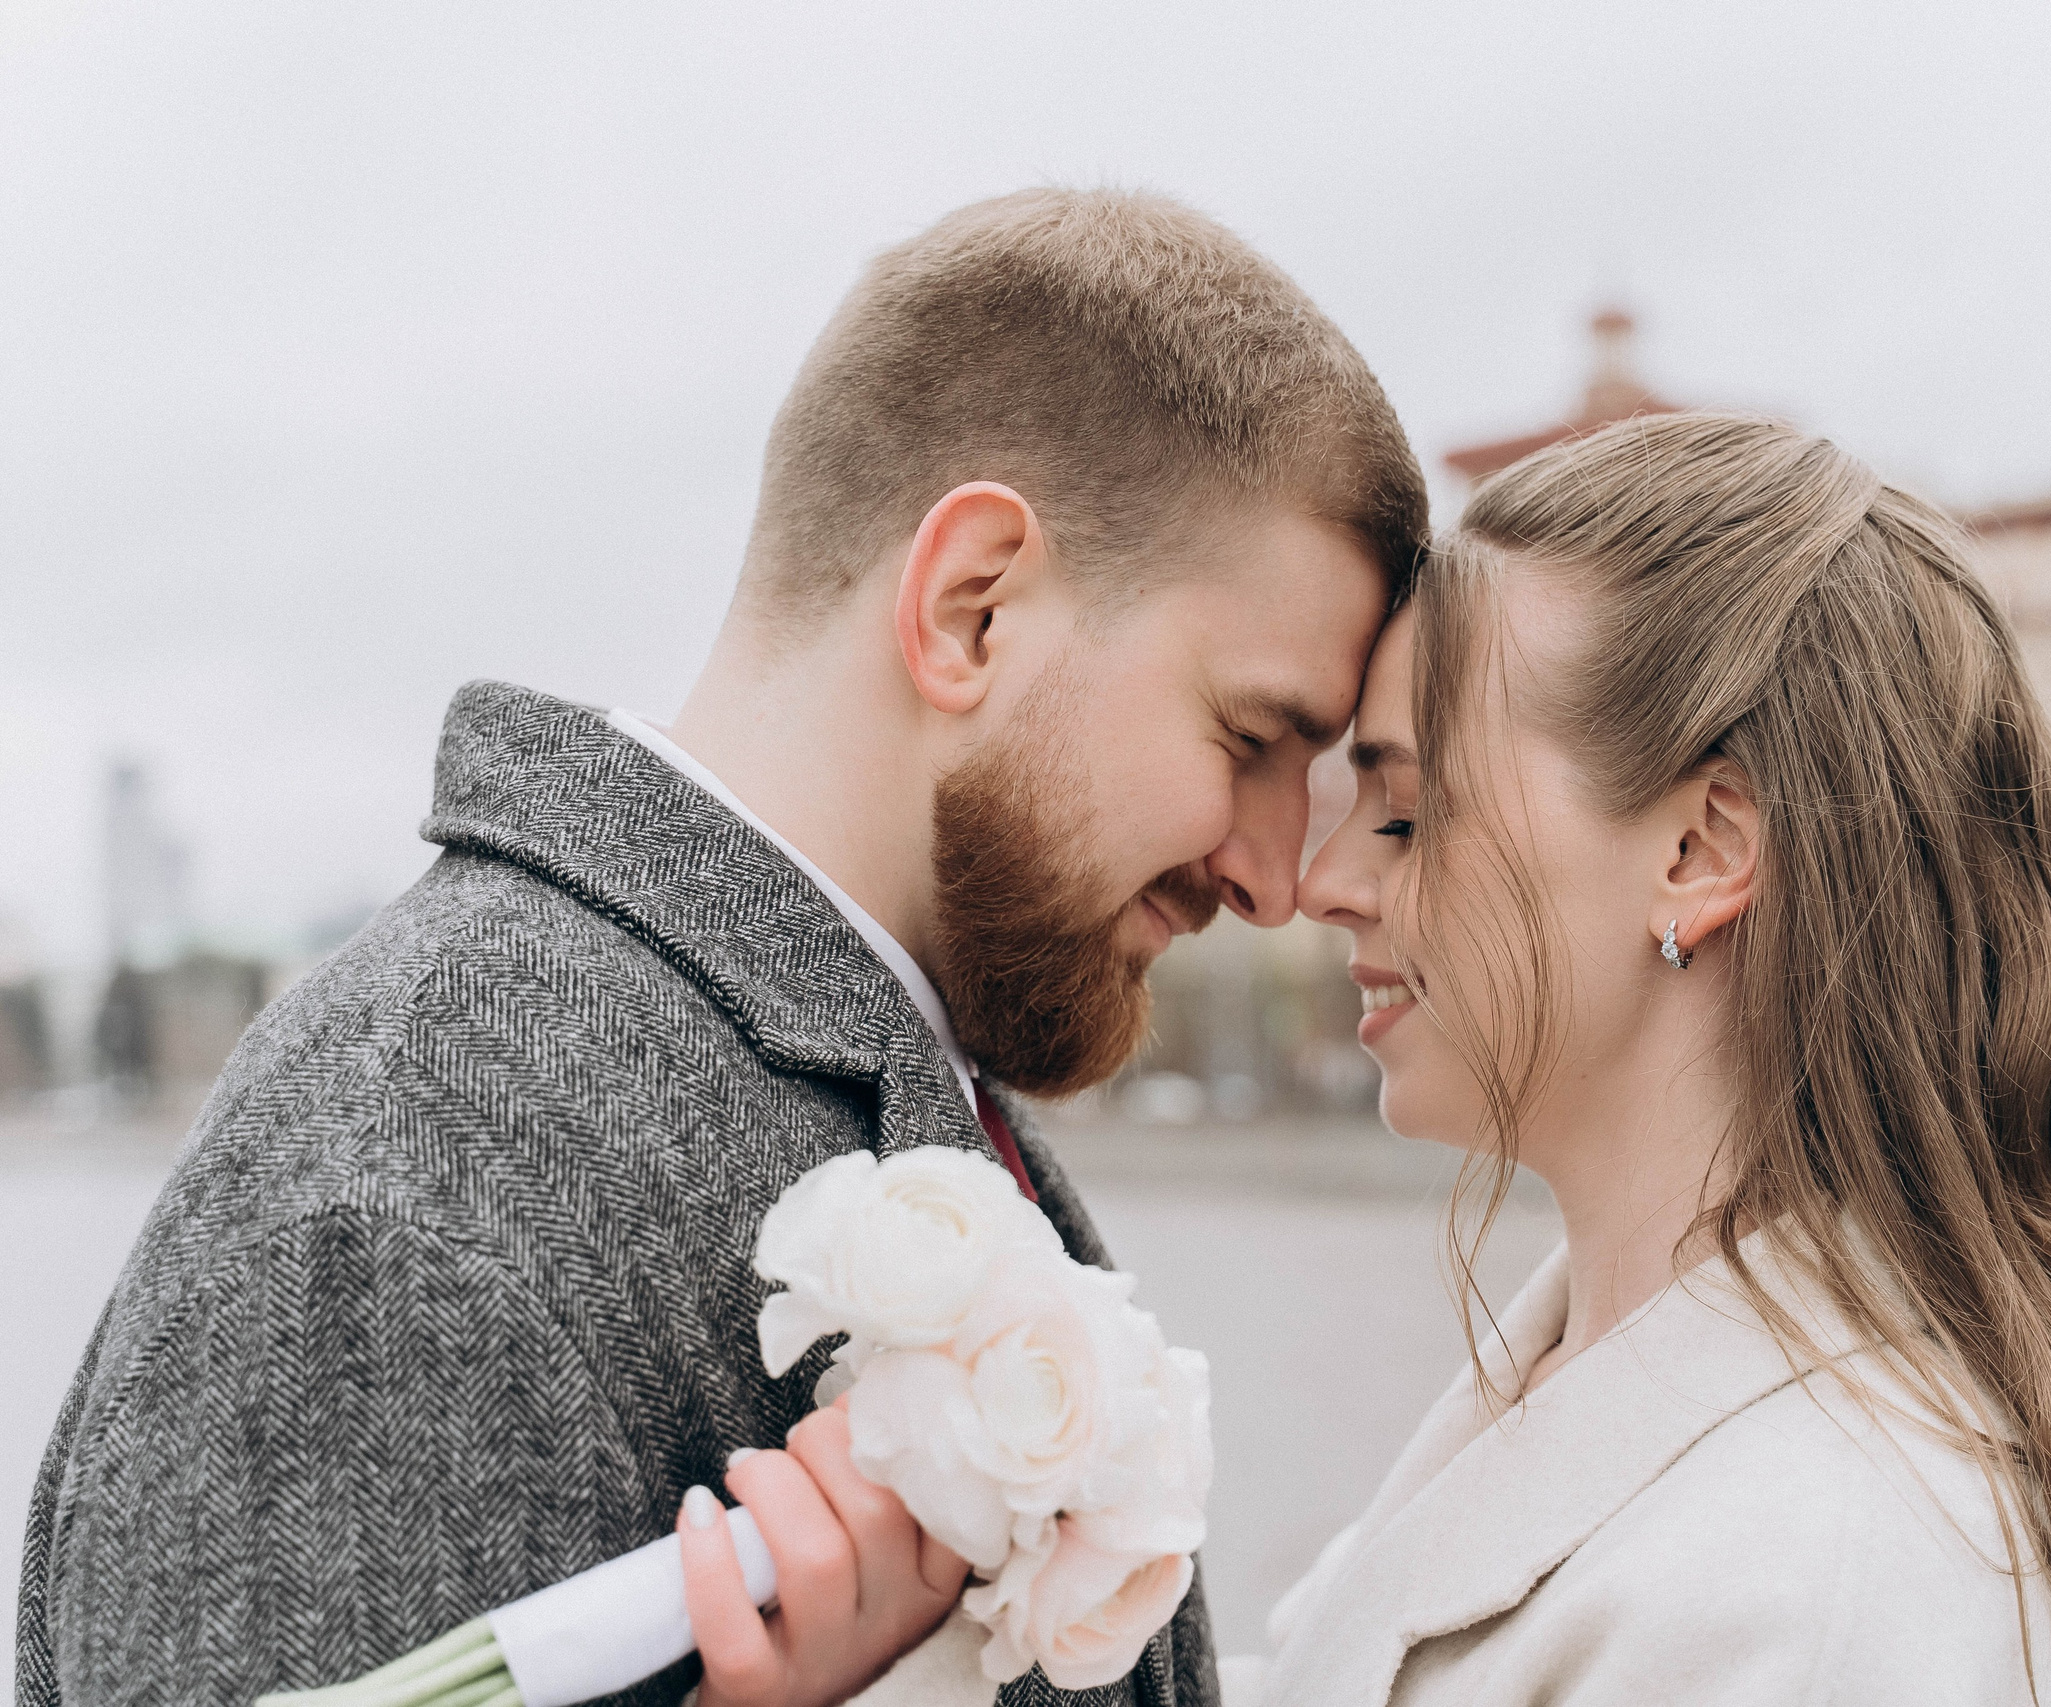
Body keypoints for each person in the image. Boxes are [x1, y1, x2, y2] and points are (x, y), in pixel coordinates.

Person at [17, 187, 1426, 1707]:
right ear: (972, 608)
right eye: (1252, 735)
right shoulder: (408, 1190)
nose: (1278, 875)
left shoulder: (877, 1092)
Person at [1239, 412, 2051, 1707]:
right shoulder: (1597, 1371)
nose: (1324, 883)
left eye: (1411, 811)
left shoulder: (1818, 1593)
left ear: (1701, 853)